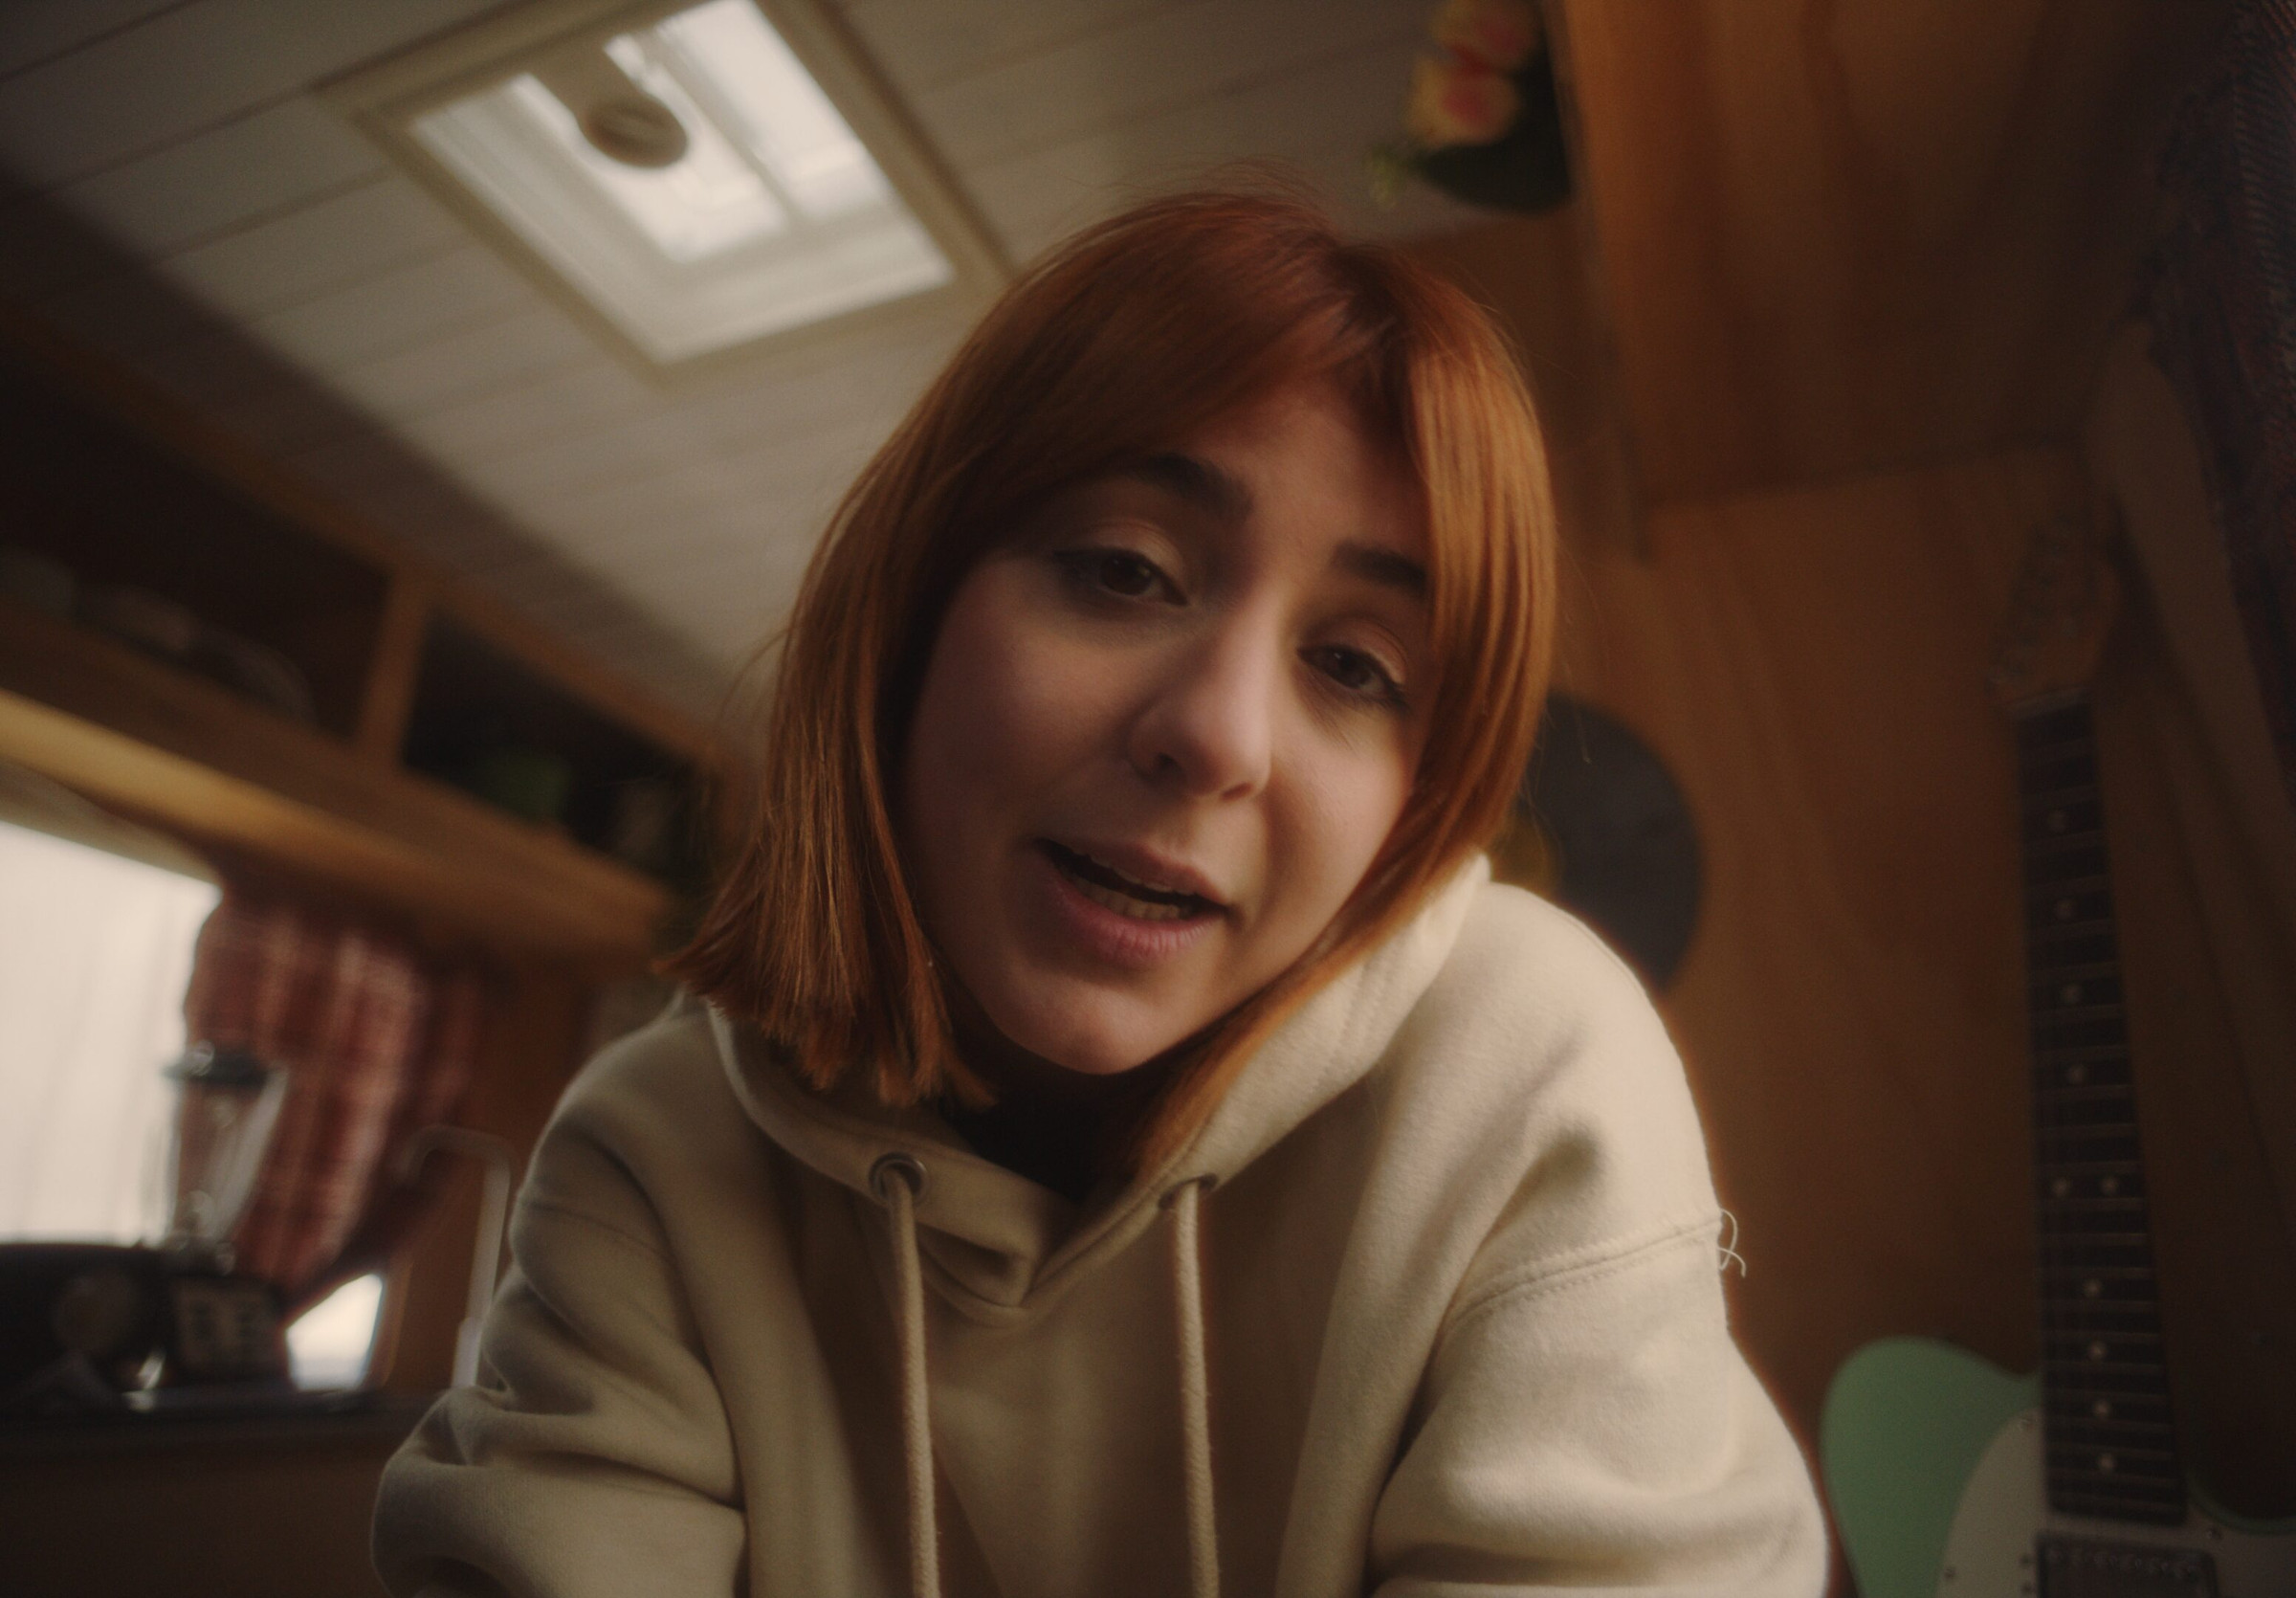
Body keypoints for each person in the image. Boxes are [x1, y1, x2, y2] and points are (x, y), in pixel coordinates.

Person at [373, 189, 1826, 1598]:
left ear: (1421, 798)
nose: (1220, 736)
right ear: (913, 605)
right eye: (1127, 572)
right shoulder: (651, 1158)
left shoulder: (1527, 1061)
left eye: (1354, 666)